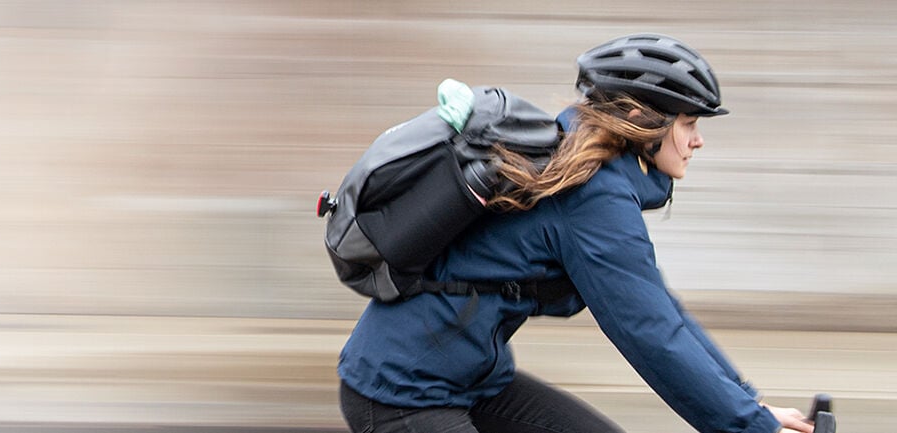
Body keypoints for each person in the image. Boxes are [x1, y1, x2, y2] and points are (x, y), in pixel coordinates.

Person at [337, 33, 816, 433]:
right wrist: (749, 426)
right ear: (638, 121)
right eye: (687, 123)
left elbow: (662, 310)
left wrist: (749, 405)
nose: (698, 139)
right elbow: (650, 333)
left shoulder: (585, 164)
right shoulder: (590, 195)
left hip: (473, 379)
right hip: (402, 395)